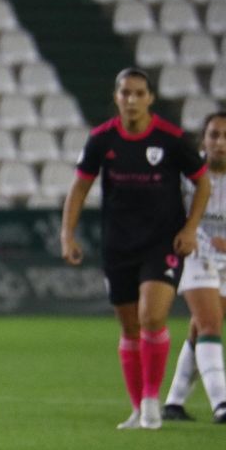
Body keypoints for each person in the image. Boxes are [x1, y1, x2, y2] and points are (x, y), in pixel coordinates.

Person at [61, 68, 210, 430]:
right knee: (129, 327)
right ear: (116, 97)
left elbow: (203, 182)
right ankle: (136, 408)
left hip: (162, 243)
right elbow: (79, 187)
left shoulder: (172, 139)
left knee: (152, 317)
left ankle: (151, 401)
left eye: (139, 93)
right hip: (118, 245)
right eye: (125, 93)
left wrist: (190, 228)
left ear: (150, 98)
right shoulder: (101, 139)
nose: (132, 100)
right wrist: (67, 234)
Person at [163, 112, 226, 424]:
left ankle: (174, 403)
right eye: (213, 135)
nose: (219, 142)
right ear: (203, 140)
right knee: (210, 324)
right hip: (196, 252)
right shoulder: (189, 170)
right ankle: (220, 404)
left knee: (200, 328)